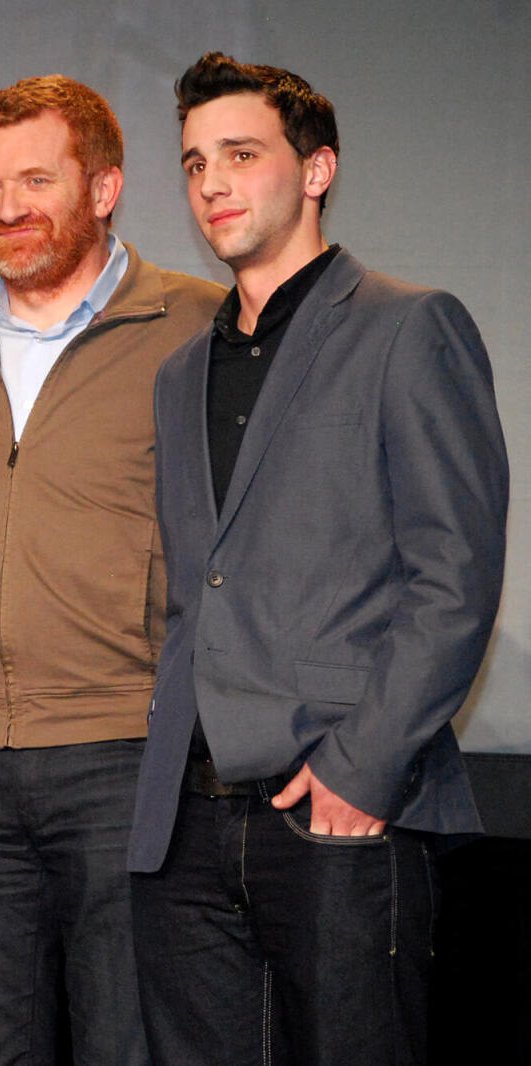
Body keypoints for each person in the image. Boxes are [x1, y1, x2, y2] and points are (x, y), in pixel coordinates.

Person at [128, 53, 509, 1066]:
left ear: (315, 169)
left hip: (334, 810)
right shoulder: (179, 374)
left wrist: (361, 771)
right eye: (194, 162)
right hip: (184, 827)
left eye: (240, 154)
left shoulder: (406, 325)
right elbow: (195, 590)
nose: (211, 182)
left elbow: (455, 578)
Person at [0, 76, 225, 1065]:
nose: (7, 208)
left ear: (104, 187)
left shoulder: (199, 324)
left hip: (124, 752)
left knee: (132, 1045)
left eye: (36, 180)